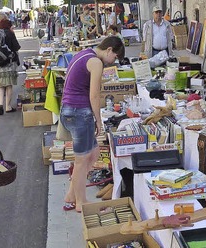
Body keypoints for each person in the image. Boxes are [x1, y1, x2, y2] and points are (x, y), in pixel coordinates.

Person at [60, 36, 125, 213]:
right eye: (115, 57)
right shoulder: (96, 62)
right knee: (82, 160)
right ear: (109, 50)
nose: (114, 62)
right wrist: (99, 121)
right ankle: (81, 202)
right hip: (79, 112)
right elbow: (95, 95)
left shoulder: (83, 54)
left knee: (93, 153)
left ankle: (71, 195)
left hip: (69, 110)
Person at [0, 17, 20, 115]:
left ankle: (0, 104)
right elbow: (16, 47)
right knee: (8, 85)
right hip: (9, 62)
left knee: (0, 85)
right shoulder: (10, 33)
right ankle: (8, 106)